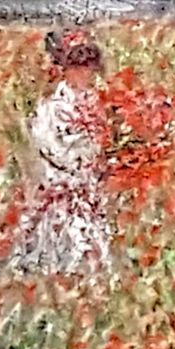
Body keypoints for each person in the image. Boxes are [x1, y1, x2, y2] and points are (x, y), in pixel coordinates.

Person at [10, 30, 114, 278]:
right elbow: (46, 146)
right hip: (60, 183)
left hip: (85, 184)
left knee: (90, 239)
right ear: (66, 69)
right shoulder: (51, 107)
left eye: (89, 68)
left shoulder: (93, 103)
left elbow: (99, 142)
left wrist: (93, 162)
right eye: (79, 68)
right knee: (59, 238)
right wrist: (72, 165)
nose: (85, 74)